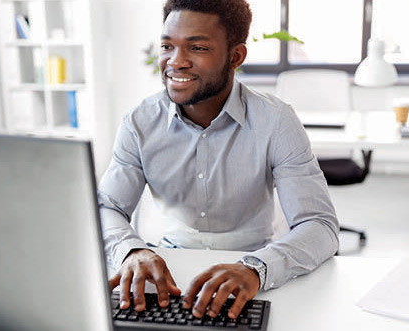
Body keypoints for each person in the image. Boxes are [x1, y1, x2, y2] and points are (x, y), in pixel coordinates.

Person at [98, 0, 339, 320]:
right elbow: (107, 208)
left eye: (196, 47)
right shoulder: (139, 123)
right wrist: (132, 250)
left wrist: (257, 269)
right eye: (167, 46)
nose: (176, 62)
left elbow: (319, 225)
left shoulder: (276, 120)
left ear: (235, 56)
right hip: (171, 275)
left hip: (253, 271)